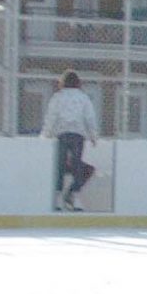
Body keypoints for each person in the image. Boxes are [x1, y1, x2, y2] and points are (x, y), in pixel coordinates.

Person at [43, 70, 100, 212]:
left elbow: (51, 117)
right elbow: (89, 118)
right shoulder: (83, 98)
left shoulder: (57, 97)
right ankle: (74, 196)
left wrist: (45, 135)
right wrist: (93, 135)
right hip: (77, 135)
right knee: (77, 167)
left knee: (59, 167)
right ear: (78, 83)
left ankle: (56, 200)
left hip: (61, 135)